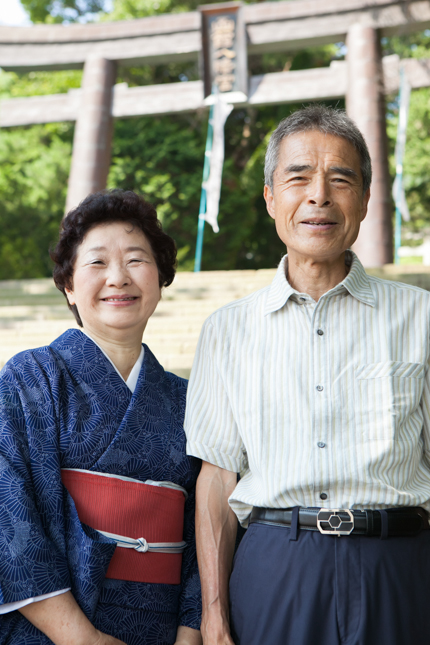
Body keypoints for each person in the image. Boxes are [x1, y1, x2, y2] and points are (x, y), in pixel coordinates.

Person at [185, 105, 430, 645]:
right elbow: (217, 481)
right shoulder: (227, 330)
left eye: (340, 178)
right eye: (298, 177)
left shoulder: (422, 317)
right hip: (277, 567)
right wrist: (214, 617)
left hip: (400, 568)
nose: (319, 195)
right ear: (271, 196)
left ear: (365, 200)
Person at [0, 190, 202, 645]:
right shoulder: (31, 377)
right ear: (68, 285)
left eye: (136, 260)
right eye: (96, 263)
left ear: (160, 278)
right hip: (54, 629)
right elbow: (7, 514)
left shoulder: (188, 399)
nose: (118, 277)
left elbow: (206, 526)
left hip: (162, 628)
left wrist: (192, 631)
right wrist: (81, 638)